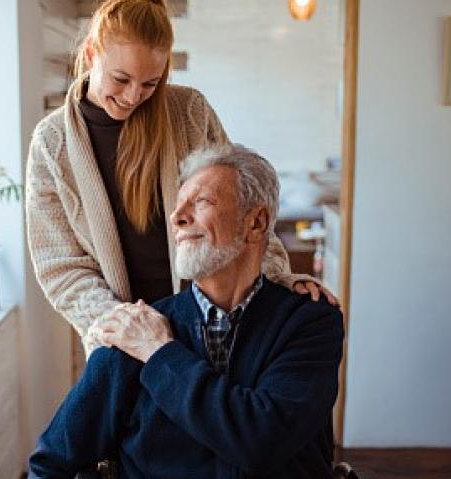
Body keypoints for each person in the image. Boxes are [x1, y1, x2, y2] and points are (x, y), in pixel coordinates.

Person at [25, 0, 335, 355]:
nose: (133, 97)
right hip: (121, 344)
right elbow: (59, 265)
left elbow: (242, 205)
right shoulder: (51, 144)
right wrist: (126, 326)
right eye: (121, 79)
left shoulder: (189, 113)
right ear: (92, 53)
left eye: (150, 83)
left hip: (214, 326)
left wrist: (279, 280)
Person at [28, 144, 344, 478]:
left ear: (256, 222)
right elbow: (50, 463)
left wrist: (160, 354)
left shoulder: (310, 322)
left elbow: (262, 441)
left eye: (201, 201)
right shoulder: (132, 335)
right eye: (178, 205)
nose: (177, 217)